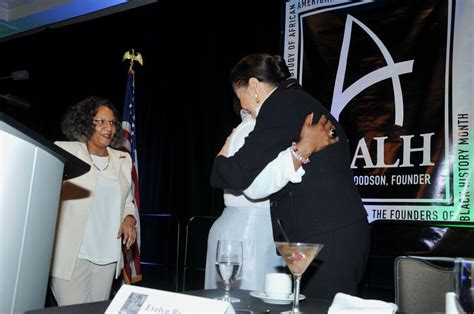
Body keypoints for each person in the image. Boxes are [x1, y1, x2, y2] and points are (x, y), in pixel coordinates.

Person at [210, 53, 370, 300]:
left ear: (254, 86)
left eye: (240, 95)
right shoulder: (297, 102)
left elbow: (236, 175)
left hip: (326, 238)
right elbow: (262, 179)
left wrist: (220, 158)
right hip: (333, 234)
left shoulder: (279, 105)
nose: (241, 106)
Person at [205, 106, 338, 292]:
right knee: (247, 301)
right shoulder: (252, 130)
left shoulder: (251, 129)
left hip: (251, 227)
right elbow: (255, 187)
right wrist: (304, 148)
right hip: (248, 231)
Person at [50, 96, 139, 306]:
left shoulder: (123, 160)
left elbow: (128, 200)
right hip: (72, 255)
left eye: (111, 122)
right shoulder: (66, 152)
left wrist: (129, 219)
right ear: (84, 123)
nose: (107, 128)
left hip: (107, 256)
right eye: (100, 121)